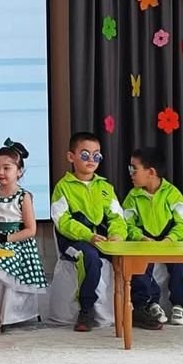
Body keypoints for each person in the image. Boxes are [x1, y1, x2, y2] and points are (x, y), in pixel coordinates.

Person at [50, 133, 126, 332]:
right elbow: (63, 221)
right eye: (85, 155)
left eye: (96, 155)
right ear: (71, 157)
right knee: (89, 257)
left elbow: (117, 216)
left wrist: (117, 235)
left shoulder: (105, 187)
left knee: (127, 256)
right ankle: (86, 308)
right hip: (74, 242)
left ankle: (138, 305)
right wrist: (88, 236)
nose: (91, 160)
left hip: (102, 240)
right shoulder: (63, 188)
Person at [0, 139, 48, 332]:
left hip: (15, 244)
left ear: (19, 171)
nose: (0, 172)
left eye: (7, 168)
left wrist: (4, 238)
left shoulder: (23, 196)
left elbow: (30, 229)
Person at [122, 147, 183, 329]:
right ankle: (149, 303)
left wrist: (170, 239)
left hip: (170, 242)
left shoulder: (172, 193)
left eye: (134, 169)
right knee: (140, 265)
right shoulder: (132, 197)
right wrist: (140, 237)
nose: (130, 173)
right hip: (145, 242)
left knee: (180, 263)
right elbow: (127, 224)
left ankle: (179, 304)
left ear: (151, 172)